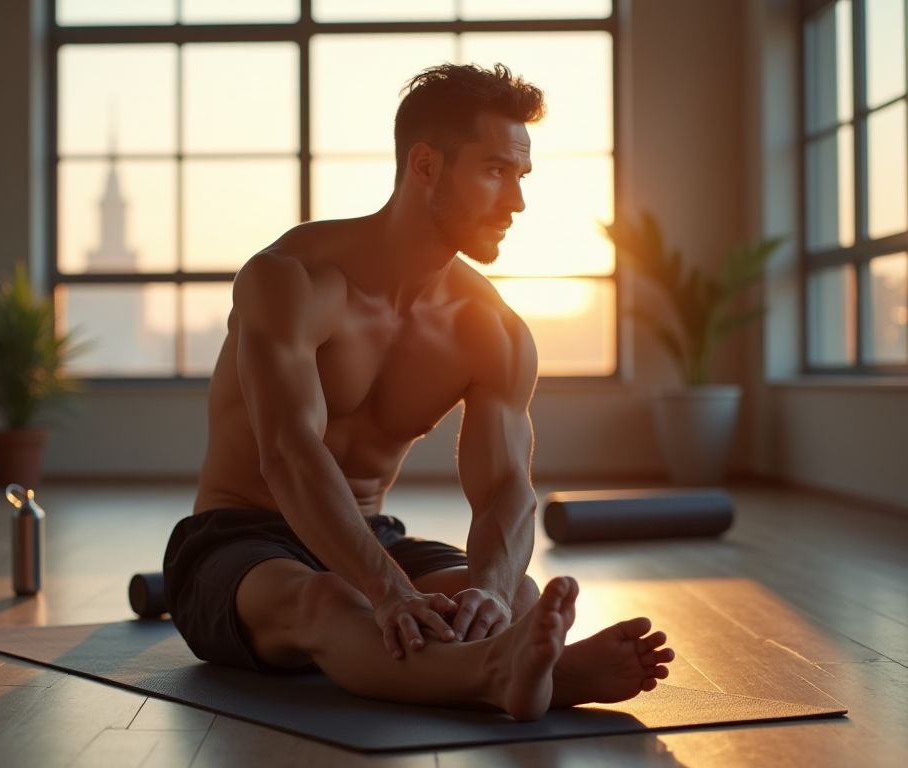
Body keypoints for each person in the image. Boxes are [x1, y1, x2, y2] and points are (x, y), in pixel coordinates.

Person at [163, 62, 673, 721]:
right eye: (495, 171)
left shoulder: (491, 329)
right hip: (238, 540)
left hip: (370, 535)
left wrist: (489, 590)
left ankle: (506, 655)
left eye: (521, 176)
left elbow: (504, 486)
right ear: (425, 165)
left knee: (515, 593)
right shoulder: (291, 281)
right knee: (328, 600)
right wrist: (387, 591)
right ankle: (512, 671)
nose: (516, 203)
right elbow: (288, 454)